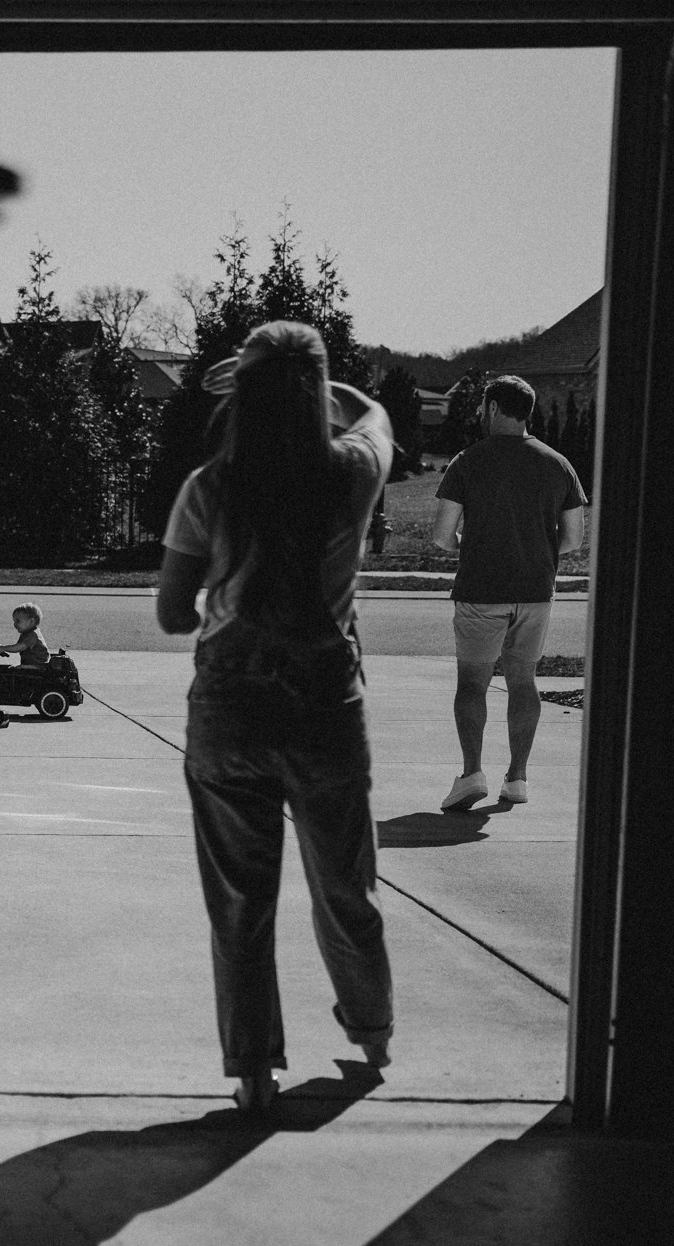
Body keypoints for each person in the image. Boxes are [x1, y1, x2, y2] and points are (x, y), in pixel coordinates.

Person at [156, 320, 396, 1117]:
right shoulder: (354, 470)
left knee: (240, 899)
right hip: (326, 703)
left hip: (230, 709)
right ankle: (371, 1029)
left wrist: (223, 602)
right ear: (320, 393)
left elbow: (171, 615)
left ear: (244, 396)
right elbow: (375, 418)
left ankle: (254, 1069)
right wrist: (320, 382)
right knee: (344, 881)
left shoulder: (208, 488)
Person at [430, 375, 589, 809]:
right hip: (536, 591)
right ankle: (516, 779)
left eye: (484, 408)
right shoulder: (558, 464)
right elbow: (574, 539)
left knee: (473, 685)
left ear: (495, 408)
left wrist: (476, 546)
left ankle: (471, 774)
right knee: (523, 683)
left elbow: (443, 536)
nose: (482, 415)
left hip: (482, 591)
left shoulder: (467, 461)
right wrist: (535, 549)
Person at [0, 602, 51, 667]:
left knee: (14, 671)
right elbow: (17, 647)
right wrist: (1, 648)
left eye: (18, 621)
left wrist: (4, 648)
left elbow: (19, 647)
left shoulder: (32, 635)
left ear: (31, 621)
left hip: (37, 666)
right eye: (14, 621)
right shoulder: (26, 633)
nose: (15, 624)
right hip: (31, 664)